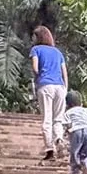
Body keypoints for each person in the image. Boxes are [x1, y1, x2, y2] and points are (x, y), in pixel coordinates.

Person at [29, 25, 67, 160]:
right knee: (58, 119)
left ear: (38, 37)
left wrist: (38, 77)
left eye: (34, 36)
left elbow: (35, 68)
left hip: (45, 86)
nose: (32, 39)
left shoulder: (36, 50)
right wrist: (65, 87)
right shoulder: (58, 52)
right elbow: (64, 72)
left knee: (47, 119)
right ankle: (59, 139)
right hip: (60, 87)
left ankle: (50, 150)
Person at [62, 90, 87, 174]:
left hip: (76, 132)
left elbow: (64, 123)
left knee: (75, 153)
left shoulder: (68, 113)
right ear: (81, 103)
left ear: (67, 105)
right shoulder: (86, 110)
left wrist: (63, 134)